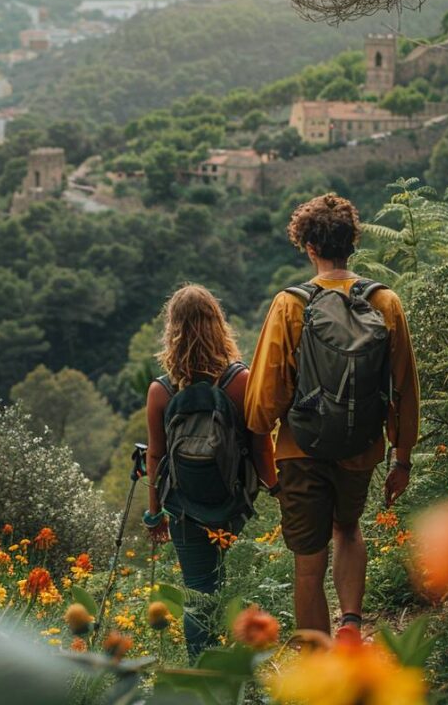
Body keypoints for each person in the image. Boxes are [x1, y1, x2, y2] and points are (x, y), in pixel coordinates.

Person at [245, 193, 419, 640]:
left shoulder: (291, 305)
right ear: (352, 243)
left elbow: (264, 401)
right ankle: (351, 625)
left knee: (308, 564)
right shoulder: (385, 302)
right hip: (361, 446)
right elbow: (404, 389)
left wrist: (264, 458)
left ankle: (318, 659)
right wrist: (401, 457)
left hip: (299, 450)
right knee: (348, 528)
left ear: (308, 247)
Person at [144, 284, 277, 657]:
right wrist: (278, 490)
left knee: (198, 592)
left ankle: (202, 673)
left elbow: (155, 457)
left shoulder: (160, 392)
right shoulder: (239, 381)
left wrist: (155, 514)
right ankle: (238, 665)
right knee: (235, 585)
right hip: (233, 503)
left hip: (184, 506)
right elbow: (259, 445)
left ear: (173, 330)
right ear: (218, 325)